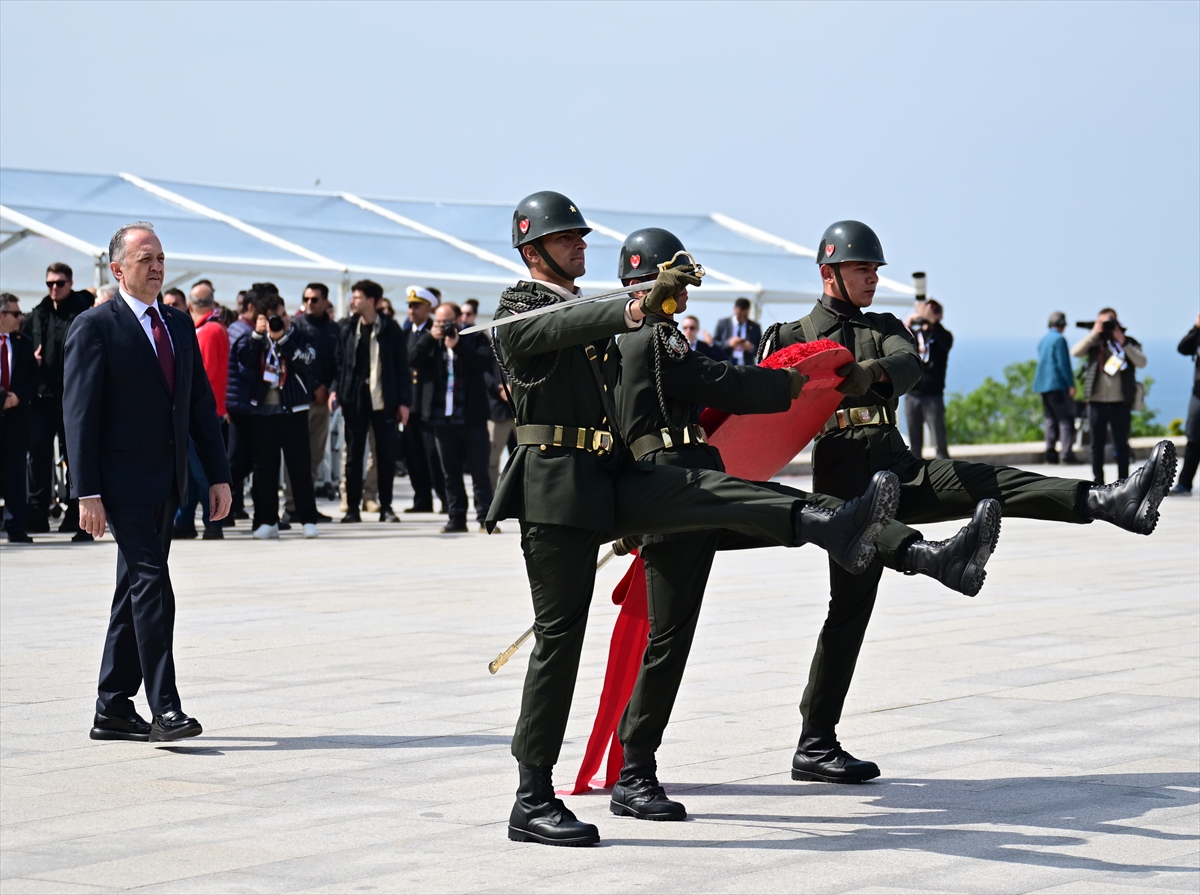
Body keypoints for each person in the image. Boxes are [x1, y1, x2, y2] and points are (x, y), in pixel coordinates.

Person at [489, 192, 901, 847]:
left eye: (579, 234)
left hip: (610, 478)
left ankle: (831, 521)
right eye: (565, 237)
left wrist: (796, 387)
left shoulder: (591, 312)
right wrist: (637, 305)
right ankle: (531, 796)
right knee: (560, 639)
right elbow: (564, 329)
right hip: (555, 488)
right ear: (531, 248)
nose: (579, 243)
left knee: (713, 492)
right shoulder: (518, 313)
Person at [758, 221, 1177, 785]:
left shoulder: (884, 327)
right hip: (842, 486)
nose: (874, 280)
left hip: (898, 465)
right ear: (828, 271)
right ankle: (815, 743)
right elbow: (754, 408)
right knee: (848, 613)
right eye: (863, 270)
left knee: (990, 479)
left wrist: (869, 372)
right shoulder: (788, 334)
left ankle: (1106, 501)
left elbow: (911, 365)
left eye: (877, 271)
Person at [611, 227, 1000, 821]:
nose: (685, 292)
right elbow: (710, 386)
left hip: (699, 482)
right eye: (674, 280)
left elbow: (712, 408)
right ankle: (634, 774)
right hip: (669, 493)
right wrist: (788, 381)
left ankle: (918, 553)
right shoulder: (641, 340)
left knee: (792, 522)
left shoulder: (660, 336)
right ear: (649, 285)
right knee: (676, 633)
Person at [63, 221, 231, 743]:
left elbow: (199, 406)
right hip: (120, 485)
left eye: (160, 257)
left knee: (131, 591)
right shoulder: (94, 326)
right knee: (154, 586)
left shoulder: (179, 324)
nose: (157, 266)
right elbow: (79, 414)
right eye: (145, 259)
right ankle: (165, 707)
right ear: (117, 270)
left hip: (168, 481)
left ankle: (112, 706)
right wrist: (86, 491)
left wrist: (217, 478)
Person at [239, 291, 320, 539]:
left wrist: (283, 339)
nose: (278, 321)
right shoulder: (256, 339)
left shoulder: (301, 336)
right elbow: (243, 360)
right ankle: (268, 520)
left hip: (292, 408)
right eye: (271, 317)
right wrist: (257, 334)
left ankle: (308, 519)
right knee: (265, 469)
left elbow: (308, 361)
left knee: (299, 466)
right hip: (262, 410)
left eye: (282, 315)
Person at [329, 280, 411, 523]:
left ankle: (386, 507)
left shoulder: (390, 329)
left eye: (357, 297)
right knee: (354, 455)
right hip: (354, 398)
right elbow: (339, 363)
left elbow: (401, 367)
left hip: (383, 399)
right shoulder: (346, 327)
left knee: (385, 455)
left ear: (371, 301)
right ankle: (352, 508)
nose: (352, 301)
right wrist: (336, 389)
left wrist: (404, 402)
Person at [22, 261, 94, 537]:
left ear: (70, 284)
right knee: (37, 457)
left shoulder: (82, 313)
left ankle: (77, 515)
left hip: (71, 398)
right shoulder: (38, 314)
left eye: (59, 283)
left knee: (74, 457)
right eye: (50, 283)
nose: (54, 288)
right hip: (41, 397)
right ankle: (37, 512)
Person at [414, 301, 494, 533]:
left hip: (471, 417)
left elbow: (485, 362)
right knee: (450, 473)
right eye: (439, 322)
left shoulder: (475, 336)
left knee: (480, 471)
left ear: (459, 320)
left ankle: (485, 517)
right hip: (441, 417)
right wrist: (431, 337)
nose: (443, 326)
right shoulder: (430, 341)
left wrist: (458, 345)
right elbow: (412, 359)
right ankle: (456, 517)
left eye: (447, 322)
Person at [173, 282, 229, 540]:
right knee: (194, 473)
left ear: (191, 305)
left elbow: (197, 378)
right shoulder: (217, 328)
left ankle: (212, 521)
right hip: (213, 408)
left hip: (201, 413)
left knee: (200, 471)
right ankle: (187, 520)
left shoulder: (206, 332)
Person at [1071, 309, 1147, 484]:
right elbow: (1075, 352)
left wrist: (1123, 343)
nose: (1106, 326)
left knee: (1121, 445)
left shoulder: (1128, 342)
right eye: (1102, 322)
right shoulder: (1094, 343)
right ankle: (1098, 482)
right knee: (1096, 446)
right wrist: (1093, 334)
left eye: (1109, 322)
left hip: (1120, 402)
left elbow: (1142, 362)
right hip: (1095, 402)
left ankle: (1123, 483)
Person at [287, 283, 338, 524]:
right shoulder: (297, 325)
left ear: (326, 302)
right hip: (301, 400)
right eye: (306, 298)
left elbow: (340, 362)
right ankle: (291, 504)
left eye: (315, 299)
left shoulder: (334, 329)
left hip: (323, 402)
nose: (309, 303)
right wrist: (316, 384)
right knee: (297, 456)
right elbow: (297, 361)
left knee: (316, 456)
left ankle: (307, 505)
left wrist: (333, 390)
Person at [401, 285, 447, 513]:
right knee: (414, 455)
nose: (411, 310)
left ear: (428, 308)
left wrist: (431, 337)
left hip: (429, 402)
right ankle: (422, 499)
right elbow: (407, 360)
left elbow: (417, 359)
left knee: (433, 456)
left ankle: (446, 500)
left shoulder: (436, 331)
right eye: (410, 306)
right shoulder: (408, 332)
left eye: (416, 306)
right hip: (412, 403)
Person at [1, 294, 36, 542]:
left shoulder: (23, 343)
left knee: (15, 476)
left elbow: (34, 379)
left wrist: (18, 397)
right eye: (15, 313)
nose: (20, 317)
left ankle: (15, 526)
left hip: (15, 421)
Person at [224, 288, 260, 524]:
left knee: (239, 459)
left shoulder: (235, 329)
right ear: (251, 308)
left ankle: (232, 506)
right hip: (241, 402)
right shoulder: (244, 332)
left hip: (236, 401)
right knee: (239, 460)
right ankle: (225, 508)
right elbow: (248, 368)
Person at [904, 298, 953, 460]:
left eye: (934, 311)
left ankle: (947, 475)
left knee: (939, 441)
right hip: (912, 394)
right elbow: (901, 345)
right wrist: (908, 325)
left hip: (933, 396)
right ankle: (917, 477)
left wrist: (933, 321)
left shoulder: (942, 336)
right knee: (915, 445)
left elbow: (945, 342)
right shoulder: (916, 335)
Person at [1034, 311, 1080, 464]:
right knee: (1065, 419)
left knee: (1050, 419)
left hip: (1043, 385)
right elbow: (1063, 364)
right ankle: (1066, 454)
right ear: (1062, 325)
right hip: (1057, 384)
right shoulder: (1059, 340)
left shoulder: (1044, 340)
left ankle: (1050, 453)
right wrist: (1070, 384)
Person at [1171, 314, 1200, 495]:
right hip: (1198, 393)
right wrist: (1196, 328)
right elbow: (1183, 348)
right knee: (1194, 437)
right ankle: (1184, 483)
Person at [713, 297, 761, 365]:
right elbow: (714, 344)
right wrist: (728, 343)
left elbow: (760, 349)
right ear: (734, 309)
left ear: (748, 311)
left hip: (746, 366)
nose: (742, 317)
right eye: (739, 314)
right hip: (726, 364)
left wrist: (750, 347)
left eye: (744, 315)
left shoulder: (755, 327)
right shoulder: (723, 323)